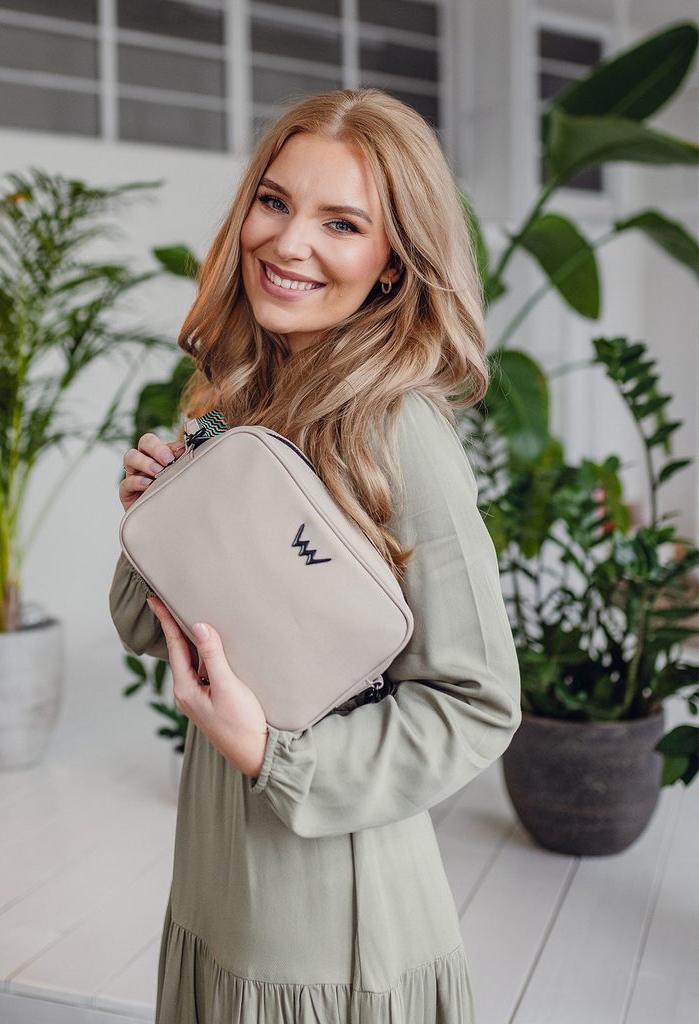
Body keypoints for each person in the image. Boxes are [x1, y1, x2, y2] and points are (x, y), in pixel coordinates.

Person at [109, 87, 521, 1024]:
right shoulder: (232, 393)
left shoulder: (398, 431)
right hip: (218, 871)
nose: (288, 243)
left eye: (342, 223)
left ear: (392, 263)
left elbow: (478, 700)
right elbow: (145, 628)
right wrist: (152, 521)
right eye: (275, 201)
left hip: (328, 910)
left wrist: (274, 755)